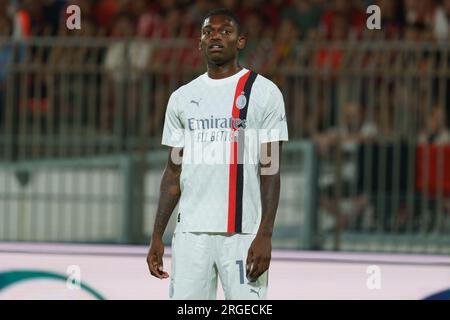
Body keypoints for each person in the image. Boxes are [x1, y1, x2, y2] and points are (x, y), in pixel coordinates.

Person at [146, 8, 288, 300]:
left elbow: (271, 169)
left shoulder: (264, 92)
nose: (216, 37)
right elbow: (173, 172)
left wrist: (265, 234)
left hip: (242, 233)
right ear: (199, 43)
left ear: (240, 42)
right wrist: (157, 235)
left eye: (225, 32)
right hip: (190, 235)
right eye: (208, 32)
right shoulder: (181, 98)